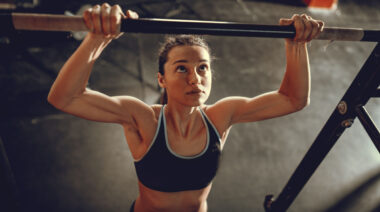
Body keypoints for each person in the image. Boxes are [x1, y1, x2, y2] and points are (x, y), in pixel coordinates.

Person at [47, 3, 324, 212]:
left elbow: (293, 99)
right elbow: (65, 98)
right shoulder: (144, 119)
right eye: (181, 68)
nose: (195, 78)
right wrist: (98, 37)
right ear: (162, 79)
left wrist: (296, 43)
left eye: (203, 68)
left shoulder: (219, 117)